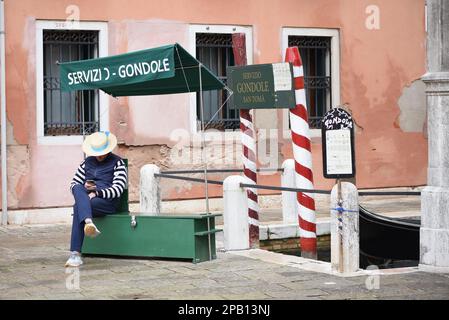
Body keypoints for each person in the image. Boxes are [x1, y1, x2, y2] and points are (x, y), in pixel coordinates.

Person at [65, 131, 128, 267]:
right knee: (76, 187)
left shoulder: (118, 163)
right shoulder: (86, 162)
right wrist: (86, 187)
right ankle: (88, 222)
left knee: (78, 207)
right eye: (97, 152)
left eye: (102, 152)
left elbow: (118, 189)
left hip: (107, 202)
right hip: (88, 200)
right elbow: (73, 185)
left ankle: (75, 254)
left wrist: (97, 193)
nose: (99, 155)